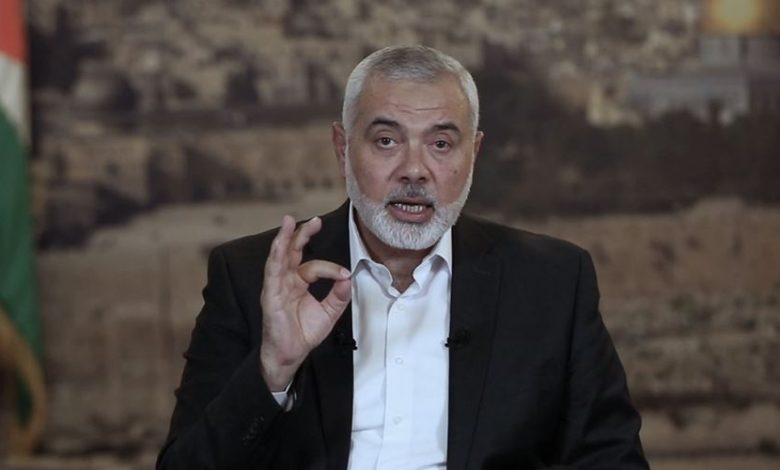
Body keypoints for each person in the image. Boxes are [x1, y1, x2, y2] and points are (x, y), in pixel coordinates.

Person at [157, 45, 649, 470]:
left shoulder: (552, 282)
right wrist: (273, 371)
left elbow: (611, 458)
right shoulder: (251, 277)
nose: (415, 170)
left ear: (474, 154)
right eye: (387, 141)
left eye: (441, 144)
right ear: (343, 148)